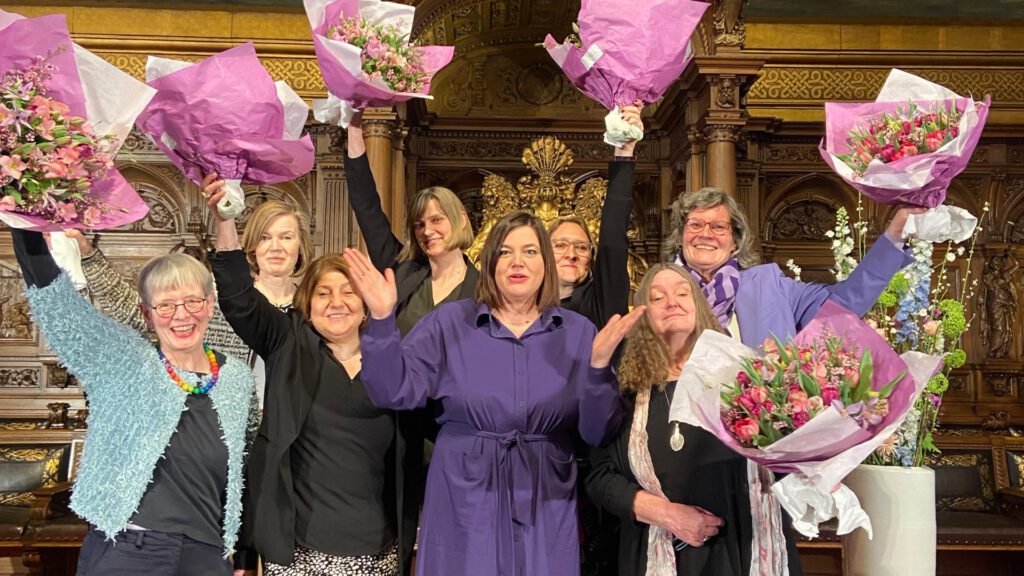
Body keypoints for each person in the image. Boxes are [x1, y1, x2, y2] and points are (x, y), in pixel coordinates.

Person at [344, 211, 644, 576]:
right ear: (489, 264)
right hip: (464, 494)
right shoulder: (448, 323)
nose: (517, 261)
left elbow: (597, 432)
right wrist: (380, 319)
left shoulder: (579, 332)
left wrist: (598, 369)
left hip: (545, 495)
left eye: (530, 252)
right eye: (505, 252)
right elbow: (392, 391)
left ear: (546, 264)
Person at [662, 188, 923, 573]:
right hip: (681, 462)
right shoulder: (660, 292)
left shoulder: (770, 285)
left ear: (735, 238)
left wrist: (896, 231)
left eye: (718, 226)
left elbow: (846, 304)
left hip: (761, 470)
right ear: (680, 234)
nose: (706, 234)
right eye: (695, 224)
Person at [10, 228, 254, 576]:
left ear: (210, 305)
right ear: (147, 313)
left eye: (192, 301)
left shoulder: (237, 379)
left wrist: (242, 550)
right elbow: (58, 307)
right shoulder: (122, 362)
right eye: (165, 305)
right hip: (129, 549)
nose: (181, 315)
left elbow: (244, 470)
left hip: (206, 554)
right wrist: (24, 221)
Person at [205, 185, 410, 576]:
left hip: (378, 548)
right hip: (302, 550)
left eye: (350, 292)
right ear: (308, 305)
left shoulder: (390, 358)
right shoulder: (287, 342)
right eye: (324, 293)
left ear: (366, 304)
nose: (337, 302)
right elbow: (238, 298)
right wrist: (225, 219)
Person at [588, 263, 752, 576]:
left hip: (736, 551)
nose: (671, 301)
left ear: (699, 307)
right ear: (642, 315)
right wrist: (667, 514)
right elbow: (599, 477)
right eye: (657, 298)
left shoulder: (740, 377)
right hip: (655, 550)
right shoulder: (628, 391)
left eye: (681, 293)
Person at [68, 194, 313, 404]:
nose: (275, 247)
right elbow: (137, 315)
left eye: (286, 237)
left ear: (300, 245)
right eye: (265, 237)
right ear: (252, 245)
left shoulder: (315, 309)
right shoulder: (217, 298)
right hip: (225, 431)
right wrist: (89, 255)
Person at [550, 101, 642, 328]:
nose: (571, 254)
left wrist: (624, 151)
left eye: (581, 247)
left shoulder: (600, 301)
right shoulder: (523, 303)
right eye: (560, 245)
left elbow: (612, 241)